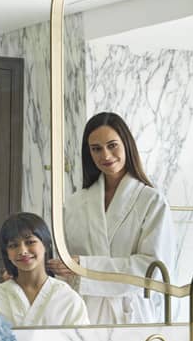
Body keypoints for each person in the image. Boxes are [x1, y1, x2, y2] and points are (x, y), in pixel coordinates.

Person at [57, 112, 174, 324]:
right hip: (83, 312)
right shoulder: (74, 204)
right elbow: (64, 266)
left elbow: (153, 270)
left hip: (130, 314)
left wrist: (84, 266)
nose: (106, 155)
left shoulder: (151, 201)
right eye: (96, 149)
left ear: (126, 145)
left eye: (112, 145)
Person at [0, 212, 89, 327]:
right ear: (6, 253)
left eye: (30, 242)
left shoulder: (67, 298)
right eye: (13, 245)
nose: (23, 251)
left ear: (46, 245)